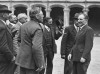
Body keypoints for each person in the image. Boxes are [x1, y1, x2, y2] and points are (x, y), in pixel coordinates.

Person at [15, 6, 45, 74]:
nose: (43, 16)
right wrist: (40, 64)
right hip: (32, 63)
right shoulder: (37, 28)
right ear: (37, 16)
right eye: (42, 14)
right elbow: (37, 47)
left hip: (22, 60)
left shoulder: (23, 25)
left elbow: (19, 40)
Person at [0, 5, 16, 74]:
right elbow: (3, 45)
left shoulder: (3, 24)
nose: (9, 15)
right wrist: (11, 57)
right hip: (5, 58)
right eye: (7, 13)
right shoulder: (2, 26)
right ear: (3, 14)